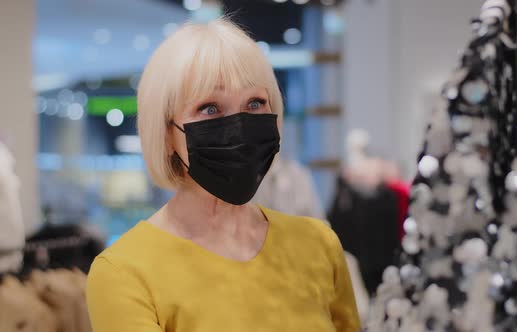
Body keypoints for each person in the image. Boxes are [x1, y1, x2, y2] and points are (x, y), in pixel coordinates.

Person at [86, 18, 360, 332]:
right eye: (210, 108)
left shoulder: (318, 245)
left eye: (255, 103)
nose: (239, 126)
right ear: (165, 134)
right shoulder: (125, 272)